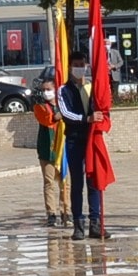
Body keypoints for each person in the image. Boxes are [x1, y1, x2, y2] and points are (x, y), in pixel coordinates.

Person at [60, 54, 106, 240]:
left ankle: (95, 223)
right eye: (76, 65)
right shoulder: (64, 90)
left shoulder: (91, 88)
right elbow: (65, 113)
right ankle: (78, 224)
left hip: (91, 139)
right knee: (77, 183)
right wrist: (85, 119)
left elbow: (101, 105)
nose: (80, 68)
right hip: (73, 140)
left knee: (94, 182)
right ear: (70, 67)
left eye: (82, 65)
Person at [30, 75, 66, 228]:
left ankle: (66, 211)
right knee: (49, 182)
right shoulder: (40, 107)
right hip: (47, 149)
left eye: (49, 89)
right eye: (44, 90)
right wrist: (61, 114)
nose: (46, 92)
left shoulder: (63, 104)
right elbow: (48, 119)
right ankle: (51, 214)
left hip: (63, 149)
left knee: (65, 183)